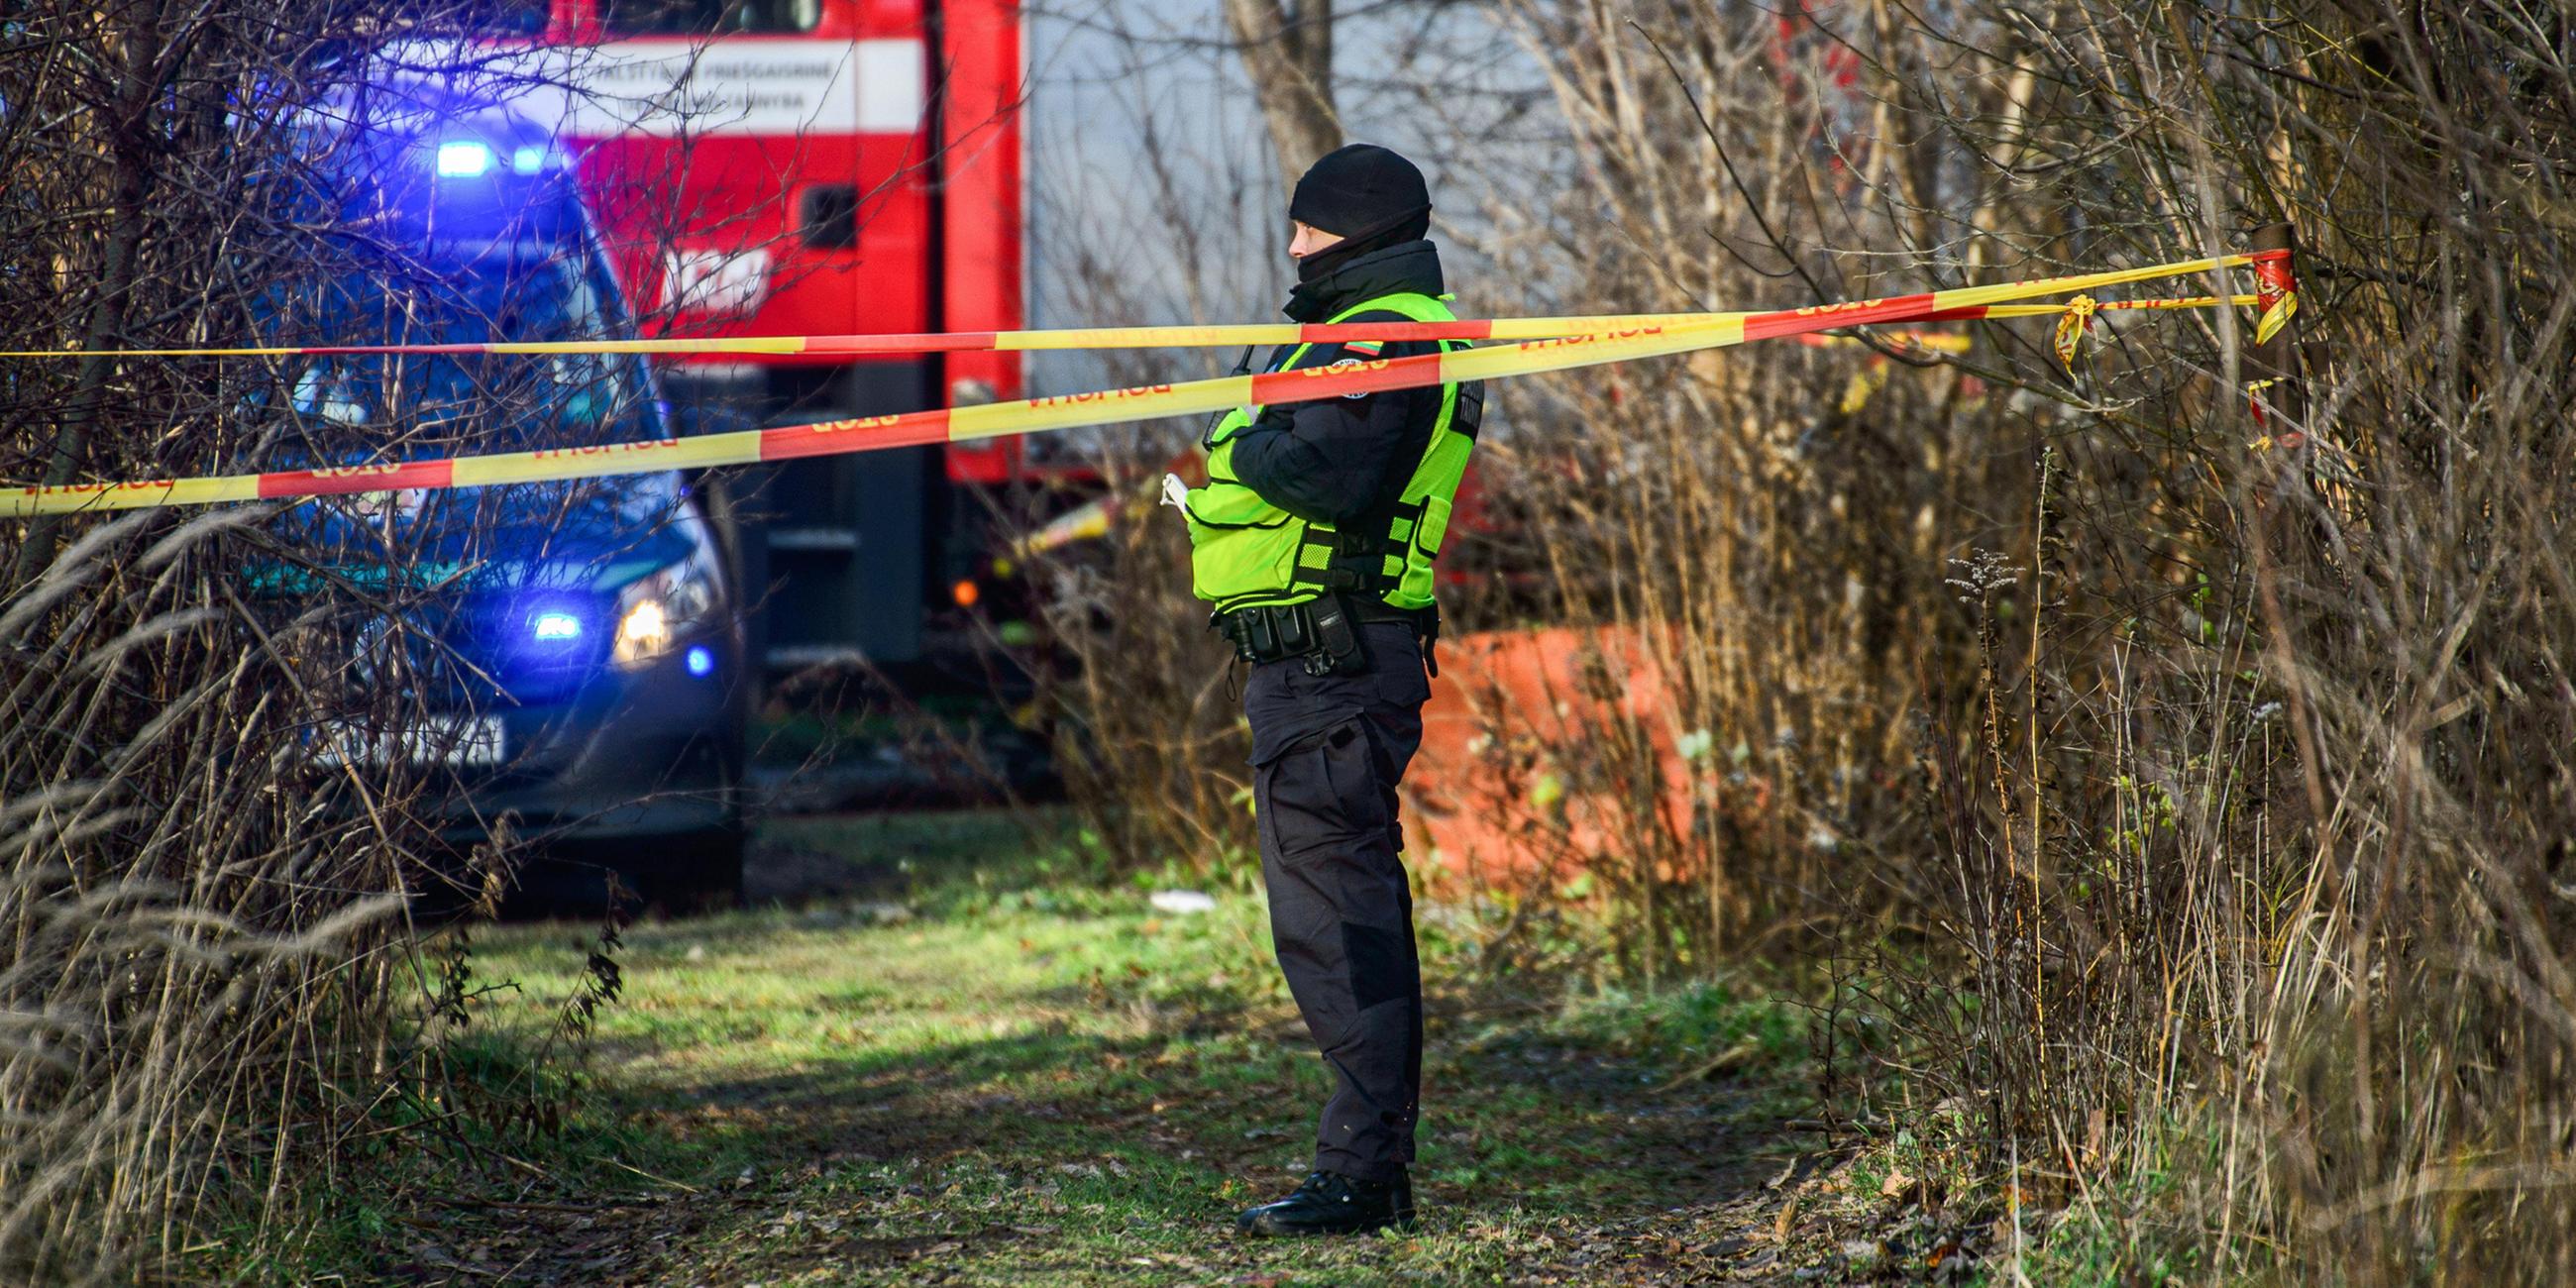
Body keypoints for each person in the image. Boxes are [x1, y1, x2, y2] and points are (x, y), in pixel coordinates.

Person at [1172, 143, 1484, 1237]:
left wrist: (1243, 444)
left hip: (1332, 667)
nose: (1292, 245)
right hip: (1321, 666)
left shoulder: (1380, 342)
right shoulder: (1367, 337)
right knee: (1333, 917)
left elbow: (1327, 474)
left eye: (1305, 228)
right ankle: (1365, 1164)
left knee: (1335, 924)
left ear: (1344, 233)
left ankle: (1361, 1177)